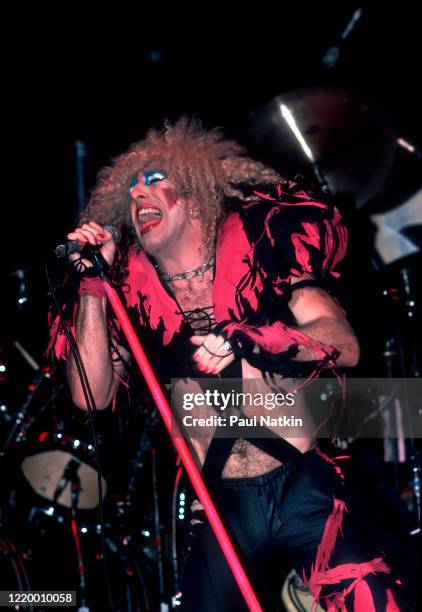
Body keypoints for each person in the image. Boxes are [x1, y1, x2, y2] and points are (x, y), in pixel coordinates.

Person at [49, 117, 406, 610]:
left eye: (153, 182)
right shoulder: (131, 296)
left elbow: (342, 343)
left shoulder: (266, 255)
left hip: (304, 487)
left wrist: (257, 337)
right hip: (222, 506)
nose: (138, 198)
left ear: (194, 194)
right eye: (130, 195)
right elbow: (90, 394)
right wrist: (93, 285)